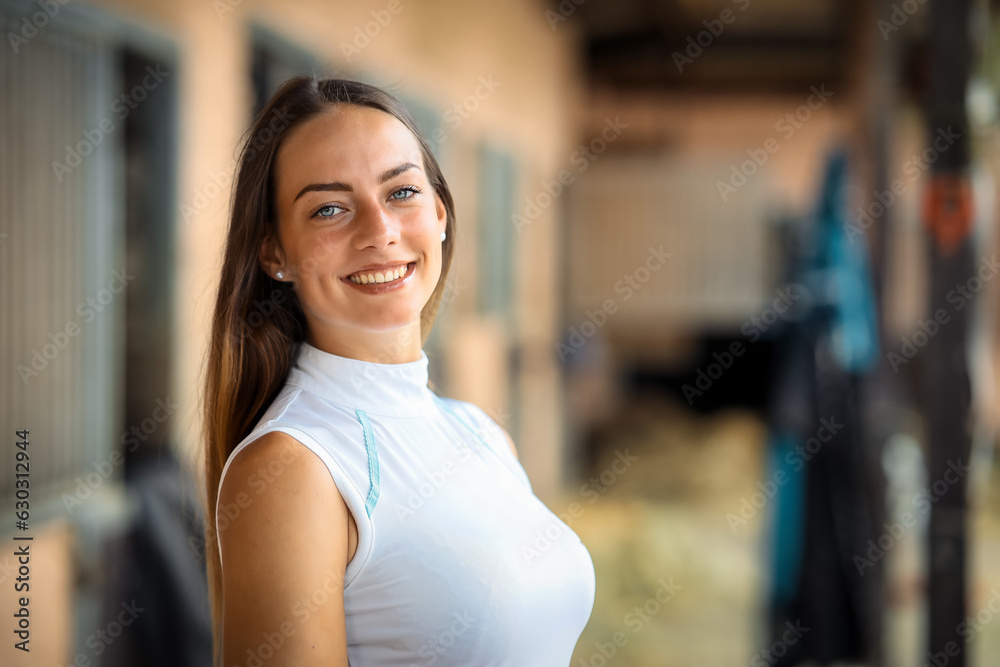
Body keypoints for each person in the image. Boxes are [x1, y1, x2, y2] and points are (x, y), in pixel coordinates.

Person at [200, 77, 596, 667]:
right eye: (329, 208)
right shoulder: (294, 468)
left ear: (439, 212)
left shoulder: (482, 433)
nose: (380, 231)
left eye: (401, 192)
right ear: (274, 253)